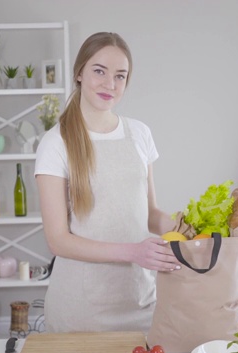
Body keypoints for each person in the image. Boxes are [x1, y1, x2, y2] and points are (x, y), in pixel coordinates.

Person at [34, 32, 183, 333]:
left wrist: (185, 227)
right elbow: (58, 240)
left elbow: (150, 213)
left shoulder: (139, 134)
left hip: (139, 302)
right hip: (81, 312)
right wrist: (133, 252)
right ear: (79, 73)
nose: (110, 85)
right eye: (99, 71)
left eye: (120, 76)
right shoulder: (55, 143)